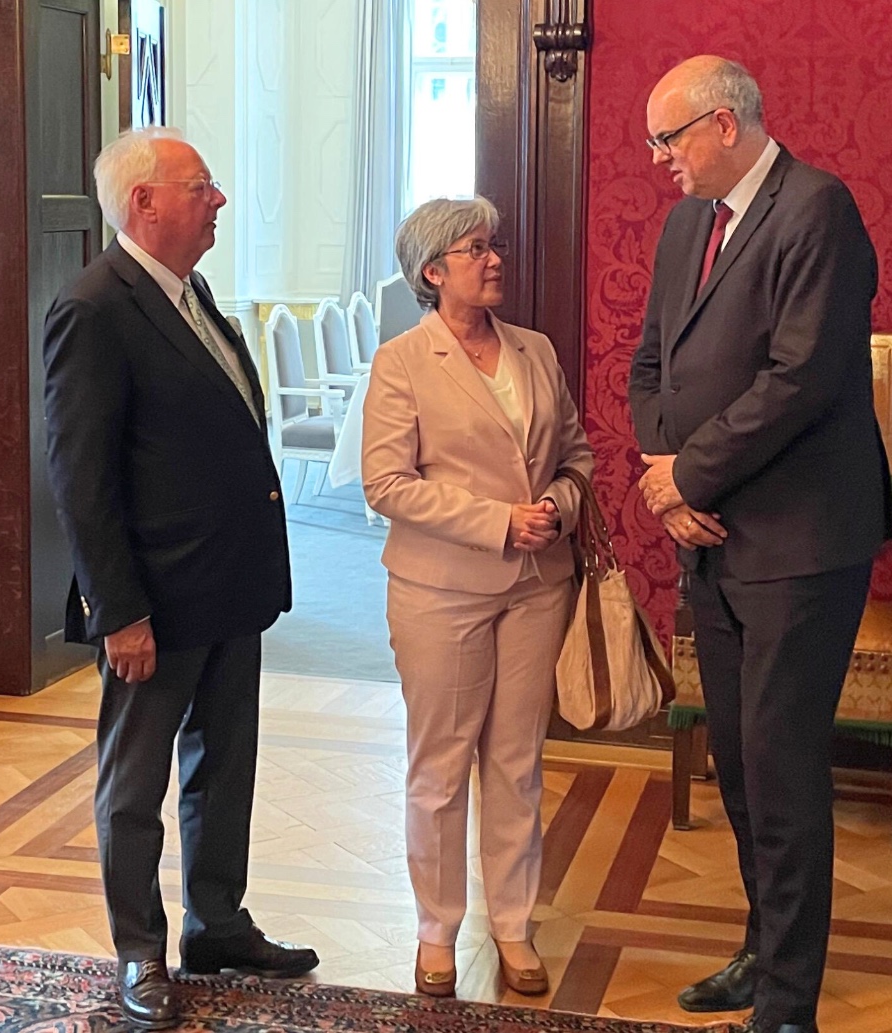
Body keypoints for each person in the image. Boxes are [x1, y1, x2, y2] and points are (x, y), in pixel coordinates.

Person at [624, 57, 890, 1033]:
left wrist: (687, 477)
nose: (659, 158)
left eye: (668, 138)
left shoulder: (817, 210)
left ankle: (787, 1004)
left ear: (724, 124)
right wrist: (668, 482)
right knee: (737, 765)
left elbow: (801, 377)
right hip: (711, 539)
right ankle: (762, 948)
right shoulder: (686, 223)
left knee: (781, 770)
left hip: (798, 546)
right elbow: (650, 363)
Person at [41, 126, 318, 1031]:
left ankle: (217, 923)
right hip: (152, 604)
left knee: (224, 769)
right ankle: (139, 948)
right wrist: (118, 610)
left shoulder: (190, 292)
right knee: (134, 788)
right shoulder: (94, 307)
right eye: (202, 187)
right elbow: (81, 478)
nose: (219, 200)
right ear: (144, 203)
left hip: (230, 587)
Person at [362, 198, 593, 999]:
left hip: (537, 588)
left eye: (494, 245)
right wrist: (498, 521)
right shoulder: (402, 361)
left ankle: (514, 923)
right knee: (440, 766)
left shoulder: (535, 349)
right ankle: (436, 930)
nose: (494, 259)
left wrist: (557, 506)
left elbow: (576, 455)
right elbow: (386, 482)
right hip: (440, 591)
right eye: (474, 249)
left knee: (517, 763)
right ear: (433, 271)